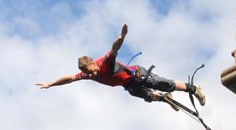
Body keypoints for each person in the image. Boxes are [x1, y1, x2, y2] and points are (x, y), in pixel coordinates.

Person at [37, 23, 206, 106]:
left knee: (163, 84)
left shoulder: (104, 62)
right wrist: (50, 84)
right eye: (88, 74)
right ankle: (165, 98)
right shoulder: (87, 74)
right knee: (147, 97)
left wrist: (122, 37)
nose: (92, 75)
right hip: (128, 84)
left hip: (138, 75)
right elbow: (70, 78)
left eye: (91, 71)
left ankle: (194, 88)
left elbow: (114, 48)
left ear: (94, 64)